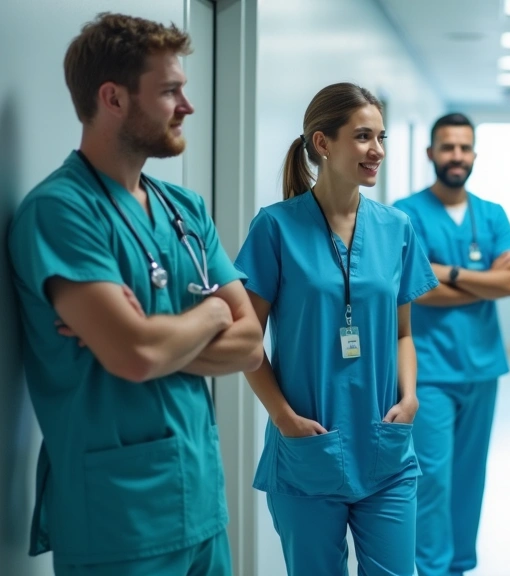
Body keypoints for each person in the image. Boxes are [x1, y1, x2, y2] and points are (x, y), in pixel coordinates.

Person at [8, 13, 264, 575]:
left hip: (200, 501)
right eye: (170, 90)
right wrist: (213, 312)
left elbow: (249, 346)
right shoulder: (61, 211)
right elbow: (136, 355)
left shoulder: (184, 209)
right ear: (113, 98)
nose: (186, 106)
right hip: (117, 519)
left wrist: (149, 334)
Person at [233, 82, 438, 576]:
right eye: (364, 136)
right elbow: (246, 340)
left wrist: (410, 399)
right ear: (323, 143)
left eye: (381, 137)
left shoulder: (397, 228)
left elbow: (403, 333)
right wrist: (283, 418)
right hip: (310, 444)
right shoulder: (276, 227)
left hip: (385, 444)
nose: (378, 151)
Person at [392, 112, 510, 576]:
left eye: (464, 148)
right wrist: (480, 280)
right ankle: (431, 568)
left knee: (470, 478)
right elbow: (418, 288)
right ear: (431, 152)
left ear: (474, 155)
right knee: (431, 479)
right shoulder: (404, 212)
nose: (456, 156)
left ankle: (459, 566)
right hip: (429, 370)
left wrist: (445, 271)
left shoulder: (492, 213)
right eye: (447, 147)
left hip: (482, 367)